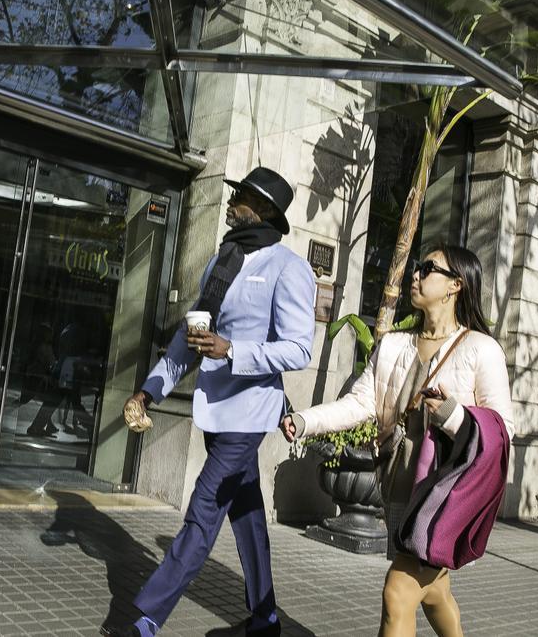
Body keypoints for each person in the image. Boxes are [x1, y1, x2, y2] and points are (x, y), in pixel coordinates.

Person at [104, 167, 315, 637]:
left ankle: (144, 619)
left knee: (202, 510)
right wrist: (150, 390)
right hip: (216, 410)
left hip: (250, 411)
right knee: (247, 517)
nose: (229, 203)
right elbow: (190, 338)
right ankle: (266, 619)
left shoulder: (288, 268)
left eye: (237, 196)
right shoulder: (221, 261)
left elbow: (300, 349)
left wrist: (232, 349)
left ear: (260, 209)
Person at [282, 245, 514, 637]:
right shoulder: (393, 345)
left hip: (443, 496)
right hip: (398, 485)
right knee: (435, 592)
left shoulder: (480, 350)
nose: (416, 275)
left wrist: (452, 414)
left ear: (455, 285)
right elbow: (360, 403)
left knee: (398, 593)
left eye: (427, 269)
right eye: (417, 267)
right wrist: (306, 421)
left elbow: (503, 430)